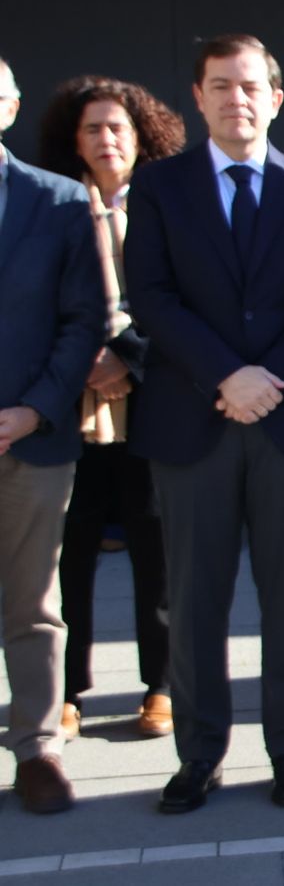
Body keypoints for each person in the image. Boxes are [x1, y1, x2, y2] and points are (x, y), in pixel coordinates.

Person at [125, 34, 284, 813]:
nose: (236, 98)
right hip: (195, 420)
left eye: (250, 84)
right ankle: (199, 754)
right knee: (194, 601)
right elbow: (151, 296)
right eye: (220, 85)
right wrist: (227, 375)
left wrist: (268, 378)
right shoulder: (159, 189)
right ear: (198, 96)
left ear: (276, 97)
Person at [36, 77, 185, 741]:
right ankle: (67, 689)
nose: (105, 140)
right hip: (71, 403)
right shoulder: (55, 208)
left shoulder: (168, 206)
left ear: (141, 136)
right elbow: (38, 304)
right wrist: (87, 359)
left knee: (156, 549)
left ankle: (160, 685)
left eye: (117, 128)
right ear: (75, 140)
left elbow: (183, 299)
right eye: (93, 129)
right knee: (70, 553)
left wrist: (126, 356)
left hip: (152, 404)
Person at [0, 62, 105, 814]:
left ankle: (36, 745)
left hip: (31, 435)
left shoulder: (59, 201)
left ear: (7, 107)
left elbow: (84, 321)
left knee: (33, 600)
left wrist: (32, 409)